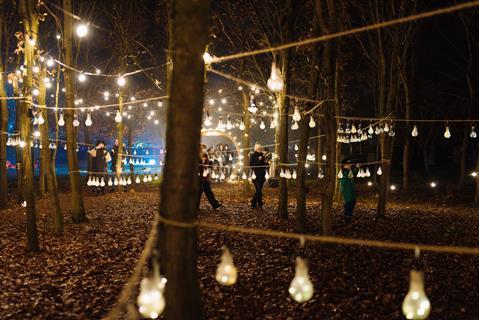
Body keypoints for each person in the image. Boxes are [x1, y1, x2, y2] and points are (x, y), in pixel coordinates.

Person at [339, 159, 359, 224]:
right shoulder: (344, 172)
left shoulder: (348, 171)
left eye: (350, 164)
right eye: (348, 164)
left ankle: (348, 219)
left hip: (351, 193)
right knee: (348, 207)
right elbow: (344, 182)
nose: (350, 165)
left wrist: (357, 168)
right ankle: (347, 220)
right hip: (348, 194)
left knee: (351, 206)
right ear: (344, 165)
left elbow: (352, 175)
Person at [249, 142, 268, 209]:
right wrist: (259, 160)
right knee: (258, 190)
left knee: (259, 191)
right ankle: (259, 203)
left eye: (261, 148)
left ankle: (255, 204)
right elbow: (252, 166)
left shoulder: (263, 155)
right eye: (258, 148)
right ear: (256, 149)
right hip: (255, 176)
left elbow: (266, 166)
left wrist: (266, 163)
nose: (260, 149)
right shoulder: (253, 156)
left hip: (262, 175)